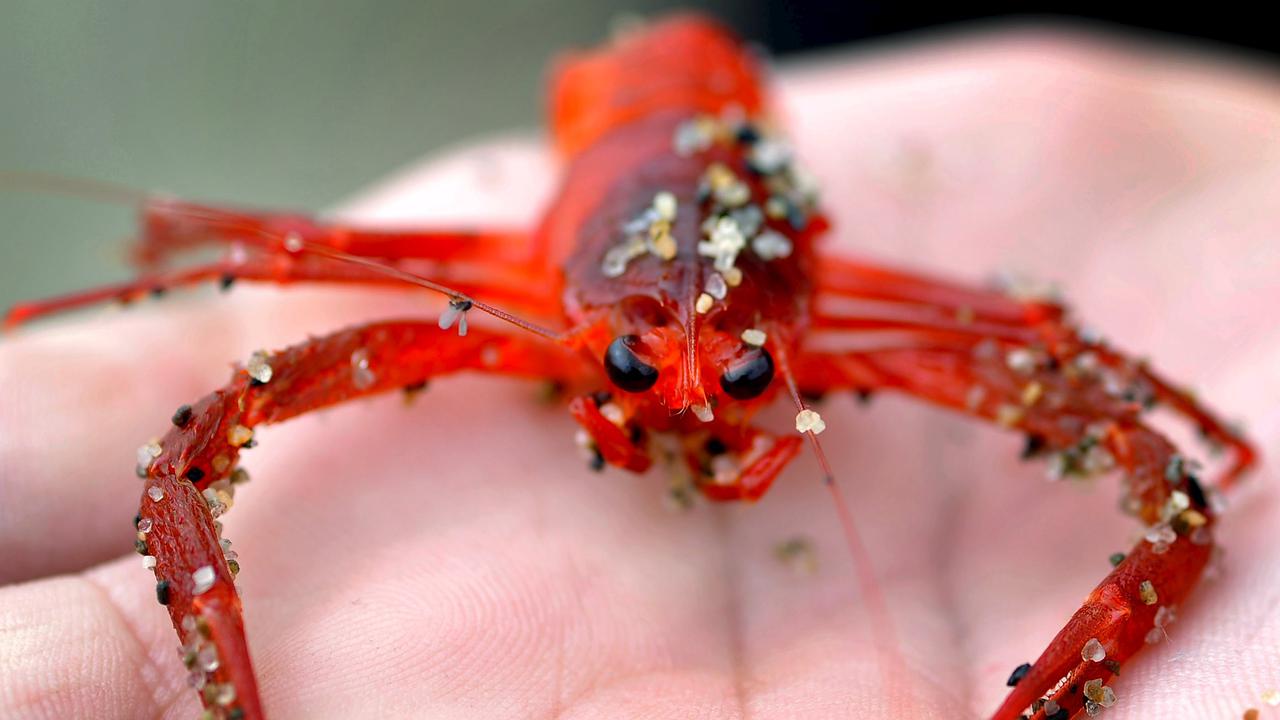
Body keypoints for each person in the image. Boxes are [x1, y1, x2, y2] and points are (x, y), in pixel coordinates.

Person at [2, 26, 1277, 719]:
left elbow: (1141, 454)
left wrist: (1178, 431)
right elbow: (212, 409)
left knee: (1154, 482)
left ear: (795, 321)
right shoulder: (508, 292)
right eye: (624, 365)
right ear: (578, 320)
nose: (675, 406)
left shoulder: (812, 322)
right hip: (635, 108)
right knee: (210, 418)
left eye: (738, 380)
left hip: (730, 106)